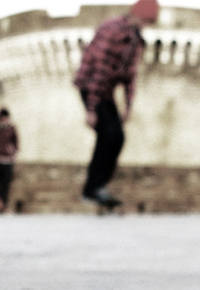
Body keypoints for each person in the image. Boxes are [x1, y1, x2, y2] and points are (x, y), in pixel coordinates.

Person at [74, 0, 159, 208]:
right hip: (90, 85)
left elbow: (130, 77)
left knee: (117, 137)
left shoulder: (136, 41)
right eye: (146, 20)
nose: (146, 25)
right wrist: (92, 108)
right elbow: (99, 69)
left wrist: (128, 107)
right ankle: (92, 188)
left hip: (106, 92)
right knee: (108, 134)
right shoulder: (110, 29)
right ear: (137, 15)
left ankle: (98, 186)